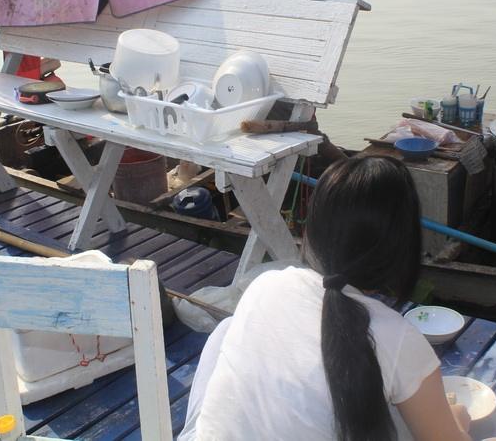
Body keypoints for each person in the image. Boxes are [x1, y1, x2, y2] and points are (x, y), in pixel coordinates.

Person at [179, 156, 471, 441]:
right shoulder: (399, 340)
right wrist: (459, 421)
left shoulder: (266, 283)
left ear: (311, 232)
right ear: (402, 250)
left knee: (226, 330)